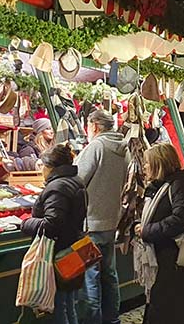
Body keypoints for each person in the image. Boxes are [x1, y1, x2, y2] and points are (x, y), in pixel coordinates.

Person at [21, 144, 87, 324]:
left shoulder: (57, 187)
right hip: (71, 249)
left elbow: (52, 223)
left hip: (57, 252)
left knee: (59, 306)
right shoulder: (74, 180)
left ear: (50, 167)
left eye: (42, 165)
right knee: (68, 304)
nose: (40, 169)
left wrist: (26, 223)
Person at [77, 110, 129, 324]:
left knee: (90, 279)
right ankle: (112, 319)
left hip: (91, 224)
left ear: (95, 126)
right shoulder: (124, 150)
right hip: (111, 222)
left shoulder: (96, 147)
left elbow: (78, 181)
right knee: (109, 276)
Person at [135, 143, 184, 324]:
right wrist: (140, 225)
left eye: (147, 163)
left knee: (170, 310)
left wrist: (148, 231)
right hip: (161, 258)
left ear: (158, 164)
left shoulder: (179, 184)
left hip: (175, 260)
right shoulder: (157, 187)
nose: (144, 167)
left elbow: (182, 219)